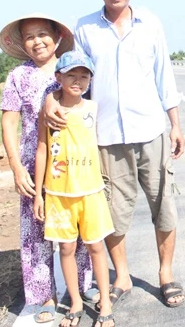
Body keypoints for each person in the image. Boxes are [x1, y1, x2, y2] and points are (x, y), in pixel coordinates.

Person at [45, 0, 185, 308]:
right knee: (112, 212)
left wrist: (175, 124)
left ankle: (165, 274)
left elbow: (164, 75)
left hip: (150, 130)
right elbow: (72, 75)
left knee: (163, 205)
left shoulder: (150, 23)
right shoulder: (85, 28)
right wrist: (51, 98)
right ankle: (122, 276)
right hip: (105, 136)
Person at [0, 14, 97, 324]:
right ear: (22, 44)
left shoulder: (72, 68)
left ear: (57, 37)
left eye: (42, 34)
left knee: (78, 229)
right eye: (29, 37)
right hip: (34, 164)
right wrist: (16, 167)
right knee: (36, 232)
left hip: (73, 165)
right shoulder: (17, 76)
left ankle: (80, 287)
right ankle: (45, 296)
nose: (37, 41)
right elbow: (8, 122)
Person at [34, 51, 115, 327]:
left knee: (96, 247)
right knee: (66, 249)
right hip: (58, 194)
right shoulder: (49, 112)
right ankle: (76, 301)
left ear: (90, 80)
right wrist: (39, 194)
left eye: (84, 76)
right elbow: (42, 150)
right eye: (71, 75)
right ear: (58, 77)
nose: (78, 81)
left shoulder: (93, 108)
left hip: (91, 192)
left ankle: (105, 303)